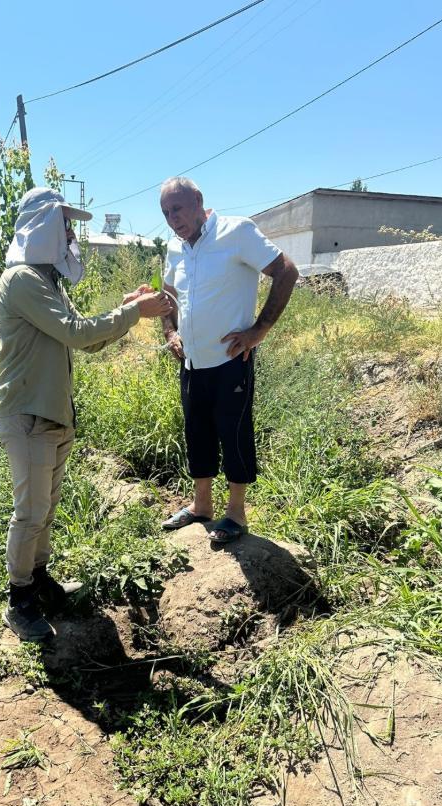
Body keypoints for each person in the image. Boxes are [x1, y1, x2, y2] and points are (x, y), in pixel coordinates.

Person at [0, 187, 172, 643]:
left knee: (45, 508)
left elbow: (87, 340)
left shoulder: (46, 282)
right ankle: (19, 601)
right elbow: (75, 333)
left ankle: (38, 580)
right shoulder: (22, 280)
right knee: (30, 512)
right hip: (29, 414)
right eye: (65, 224)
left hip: (52, 413)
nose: (71, 234)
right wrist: (132, 312)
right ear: (43, 226)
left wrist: (126, 309)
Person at [158, 176, 298, 544]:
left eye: (178, 208)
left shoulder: (237, 232)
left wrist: (259, 330)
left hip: (231, 359)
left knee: (233, 432)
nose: (173, 218)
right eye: (166, 212)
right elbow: (167, 295)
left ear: (198, 201)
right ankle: (201, 505)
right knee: (197, 431)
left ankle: (236, 513)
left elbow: (287, 271)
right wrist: (170, 332)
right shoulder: (175, 248)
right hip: (192, 360)